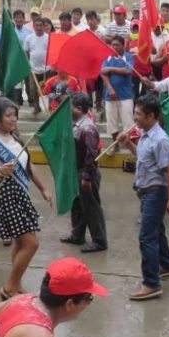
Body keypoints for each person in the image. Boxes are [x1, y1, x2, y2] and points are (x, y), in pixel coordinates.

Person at [0, 98, 53, 296]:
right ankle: (10, 286)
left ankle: (16, 283)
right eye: (8, 116)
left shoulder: (15, 138)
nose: (13, 119)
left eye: (14, 115)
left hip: (21, 194)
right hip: (6, 196)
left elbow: (29, 166)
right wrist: (0, 171)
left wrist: (43, 188)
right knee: (31, 243)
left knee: (21, 243)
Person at [119, 95, 169, 301]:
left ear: (151, 116)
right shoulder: (145, 134)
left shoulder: (161, 140)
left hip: (155, 192)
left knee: (146, 236)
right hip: (145, 192)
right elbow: (143, 159)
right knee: (156, 231)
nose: (135, 117)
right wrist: (127, 144)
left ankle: (151, 283)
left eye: (138, 114)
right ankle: (167, 264)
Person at [60, 92, 107, 252]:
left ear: (79, 108)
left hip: (86, 173)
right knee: (78, 205)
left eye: (70, 106)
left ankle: (99, 240)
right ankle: (77, 234)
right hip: (77, 171)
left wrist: (87, 177)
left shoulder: (86, 128)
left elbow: (91, 155)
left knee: (91, 207)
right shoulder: (76, 125)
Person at [100, 36, 135, 150]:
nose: (114, 47)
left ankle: (131, 146)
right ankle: (115, 145)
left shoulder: (128, 56)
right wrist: (110, 88)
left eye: (117, 45)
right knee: (111, 122)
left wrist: (110, 69)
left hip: (125, 95)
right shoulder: (107, 58)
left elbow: (128, 70)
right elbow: (103, 73)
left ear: (123, 45)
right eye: (113, 44)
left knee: (128, 122)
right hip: (110, 96)